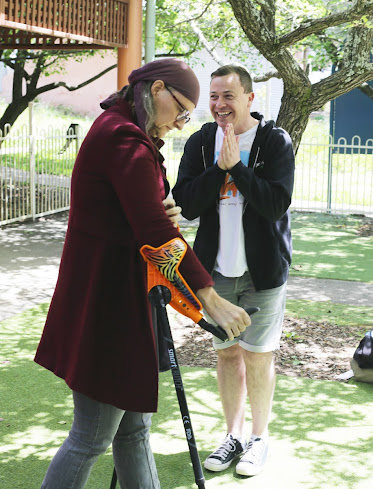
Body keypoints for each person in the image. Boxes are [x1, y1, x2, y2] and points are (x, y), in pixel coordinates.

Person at [34, 58, 252, 489]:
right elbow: (152, 232)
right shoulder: (121, 137)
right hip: (106, 303)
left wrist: (159, 206)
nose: (181, 123)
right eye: (183, 110)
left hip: (121, 299)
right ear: (156, 91)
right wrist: (209, 297)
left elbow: (142, 212)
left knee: (133, 431)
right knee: (91, 438)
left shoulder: (124, 130)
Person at [172, 64, 295, 477]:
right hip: (215, 276)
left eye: (228, 96)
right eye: (214, 96)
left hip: (262, 272)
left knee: (259, 357)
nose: (219, 105)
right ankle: (234, 434)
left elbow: (277, 204)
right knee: (226, 357)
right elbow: (186, 203)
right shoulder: (202, 142)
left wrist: (238, 169)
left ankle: (259, 439)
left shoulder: (275, 141)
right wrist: (219, 169)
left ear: (248, 98)